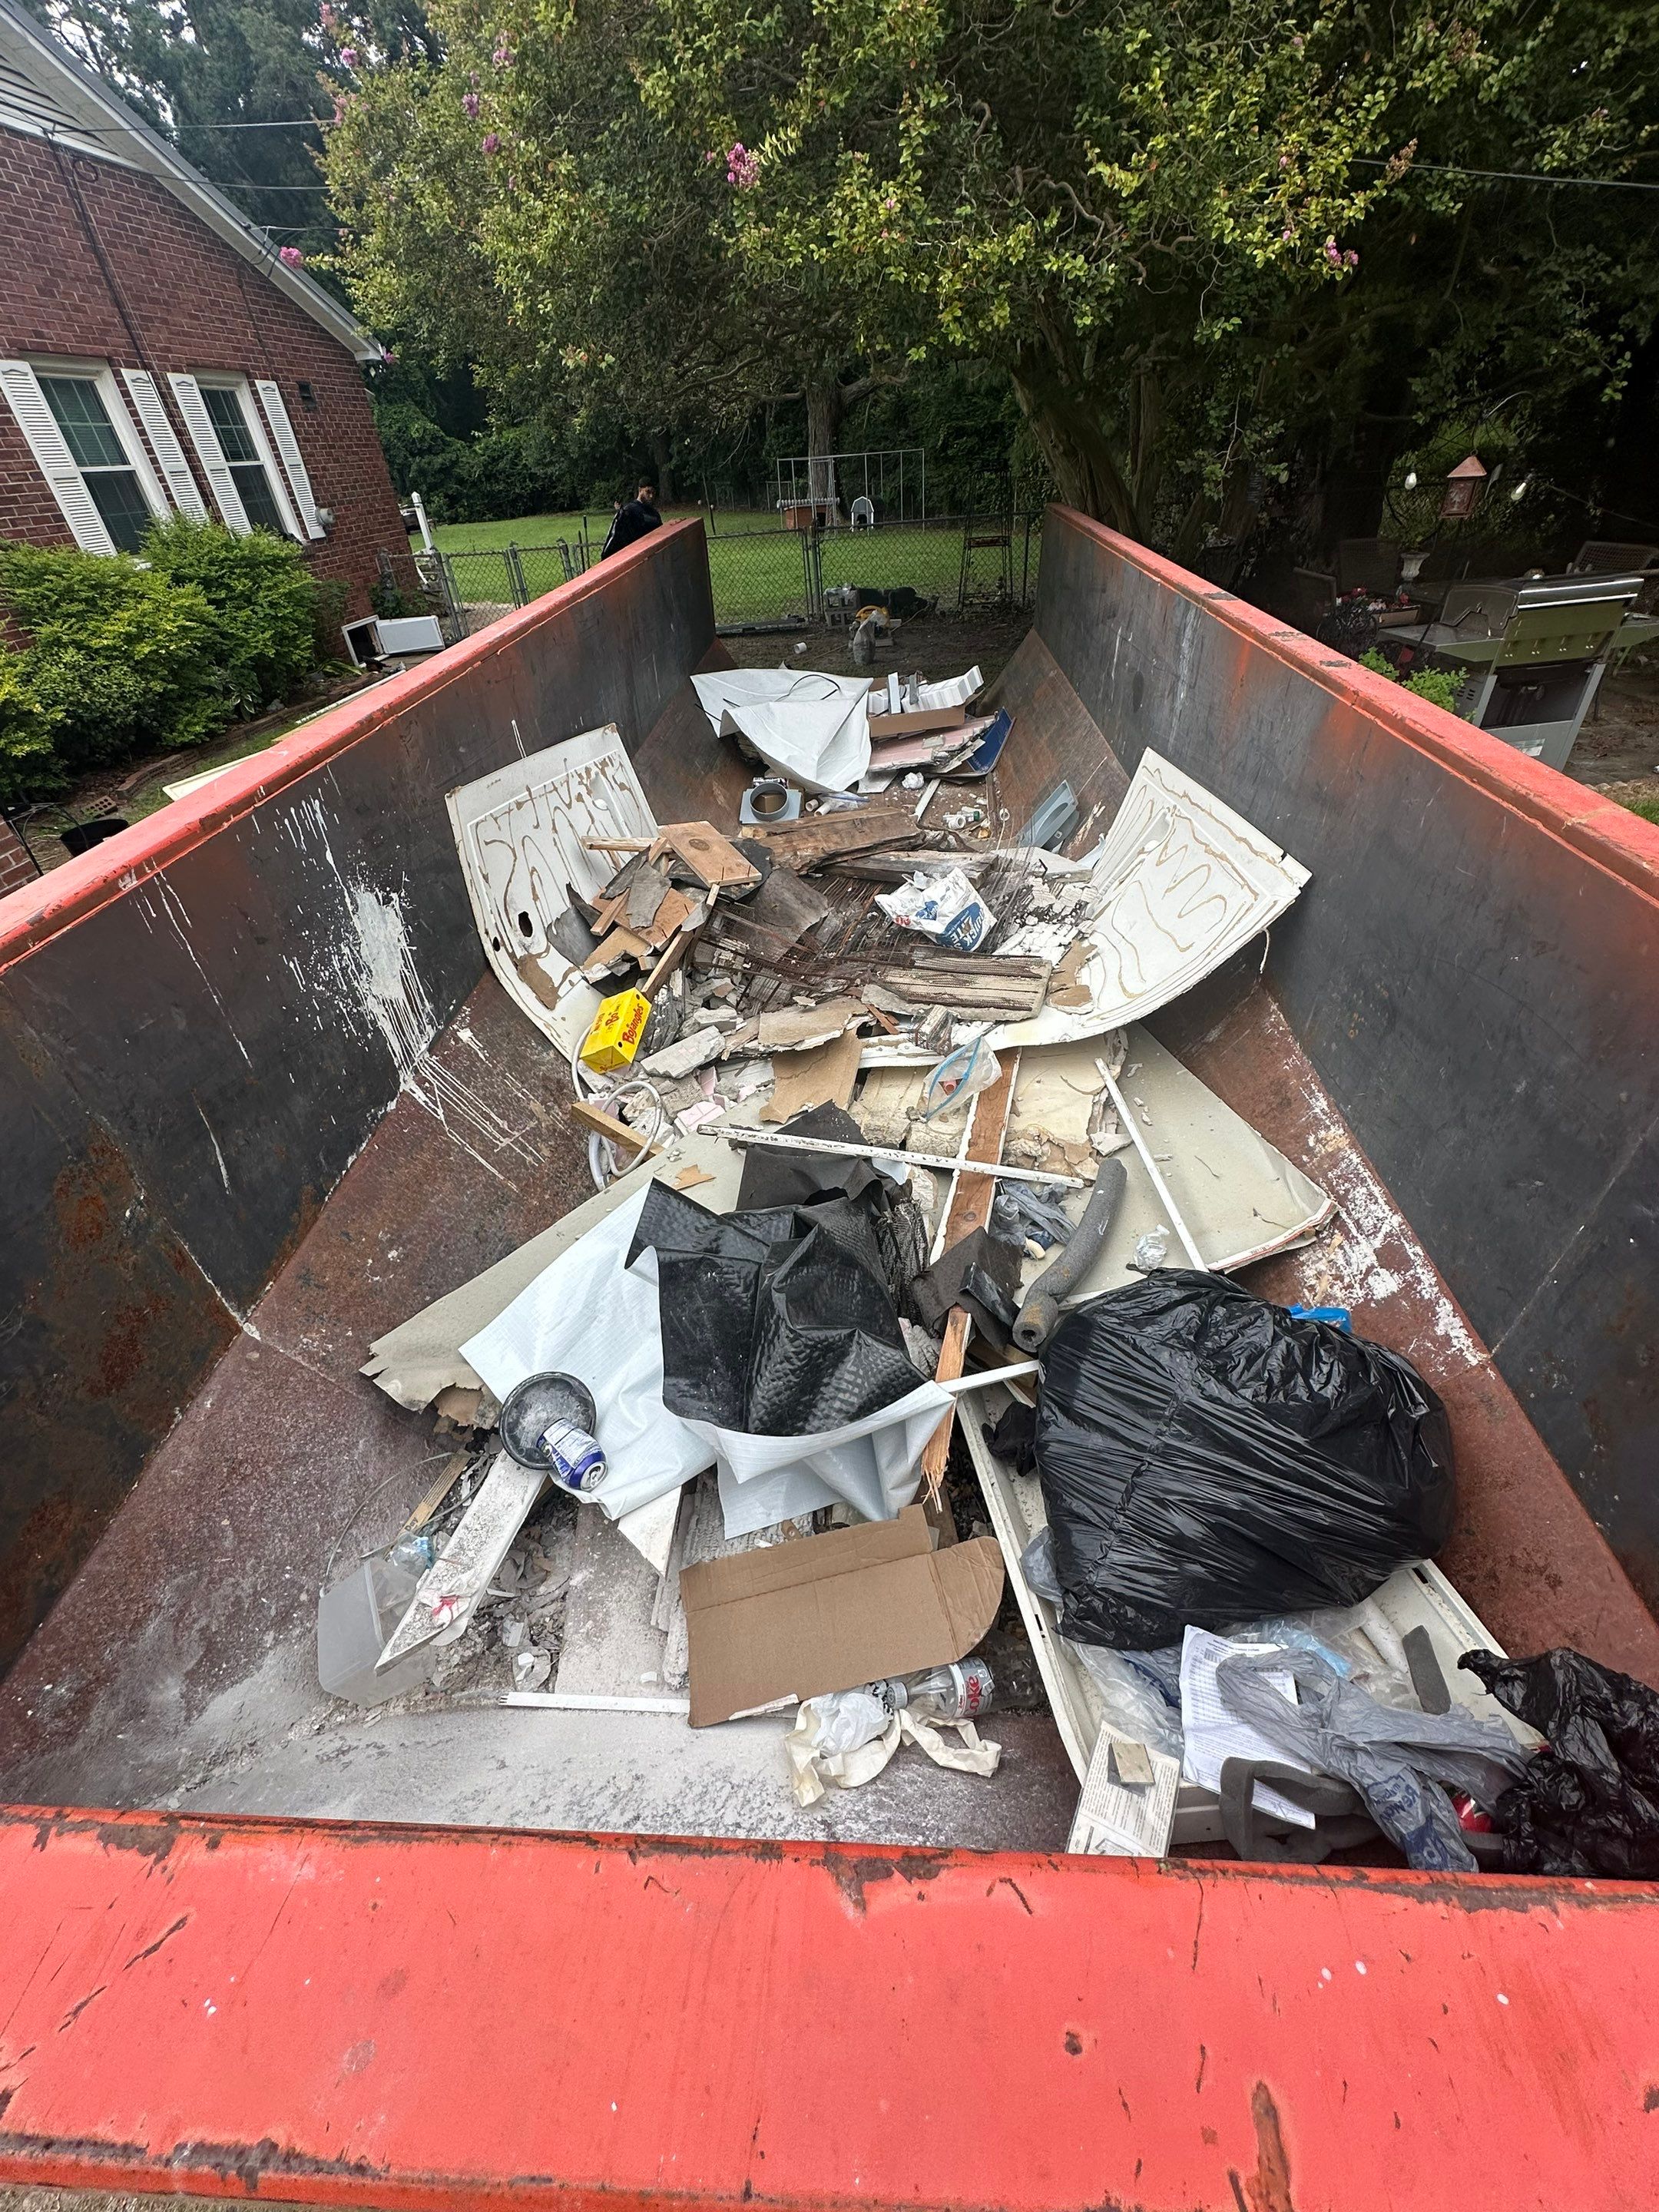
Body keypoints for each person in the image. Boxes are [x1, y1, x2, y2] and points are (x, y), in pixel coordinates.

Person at [601, 481, 663, 559]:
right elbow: (615, 536)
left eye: (653, 493)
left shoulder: (654, 514)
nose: (651, 496)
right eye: (648, 492)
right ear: (640, 490)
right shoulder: (628, 511)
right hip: (630, 555)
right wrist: (607, 558)